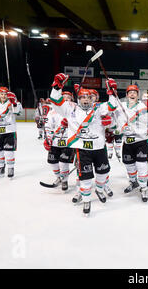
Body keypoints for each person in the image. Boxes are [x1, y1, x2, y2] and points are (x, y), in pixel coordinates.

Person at [49, 73, 117, 215]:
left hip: (99, 148)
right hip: (82, 149)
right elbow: (55, 99)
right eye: (82, 97)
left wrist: (111, 92)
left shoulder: (98, 108)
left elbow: (112, 105)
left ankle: (99, 189)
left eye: (88, 97)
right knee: (85, 177)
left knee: (103, 173)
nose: (86, 99)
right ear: (78, 99)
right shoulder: (70, 108)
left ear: (92, 98)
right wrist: (57, 86)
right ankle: (86, 200)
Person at [113, 84, 148, 202]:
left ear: (138, 95)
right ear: (127, 94)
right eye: (130, 92)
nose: (132, 94)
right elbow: (112, 114)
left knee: (141, 165)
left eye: (135, 92)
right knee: (129, 165)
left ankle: (143, 188)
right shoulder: (121, 106)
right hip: (127, 141)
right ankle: (134, 182)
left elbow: (146, 122)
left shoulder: (142, 106)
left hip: (141, 141)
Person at [0, 87, 23, 178]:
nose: (3, 96)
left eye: (5, 94)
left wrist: (14, 103)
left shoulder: (13, 101)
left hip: (10, 130)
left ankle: (10, 168)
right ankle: (0, 168)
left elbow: (18, 112)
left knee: (9, 151)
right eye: (1, 94)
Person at [43, 91, 75, 191]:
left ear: (72, 99)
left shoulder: (75, 110)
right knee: (52, 161)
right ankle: (58, 177)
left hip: (69, 142)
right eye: (63, 97)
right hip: (55, 141)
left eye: (68, 97)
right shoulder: (52, 112)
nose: (65, 98)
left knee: (63, 162)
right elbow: (48, 126)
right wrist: (48, 139)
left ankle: (64, 180)